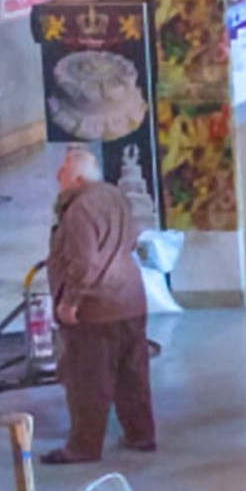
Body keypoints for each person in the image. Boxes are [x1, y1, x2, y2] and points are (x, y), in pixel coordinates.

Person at [42, 143, 154, 466]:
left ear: (78, 179)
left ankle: (83, 447)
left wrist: (70, 302)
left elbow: (83, 263)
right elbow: (131, 239)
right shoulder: (115, 198)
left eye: (63, 172)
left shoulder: (78, 211)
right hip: (132, 300)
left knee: (88, 379)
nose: (57, 177)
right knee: (132, 374)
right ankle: (141, 434)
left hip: (97, 309)